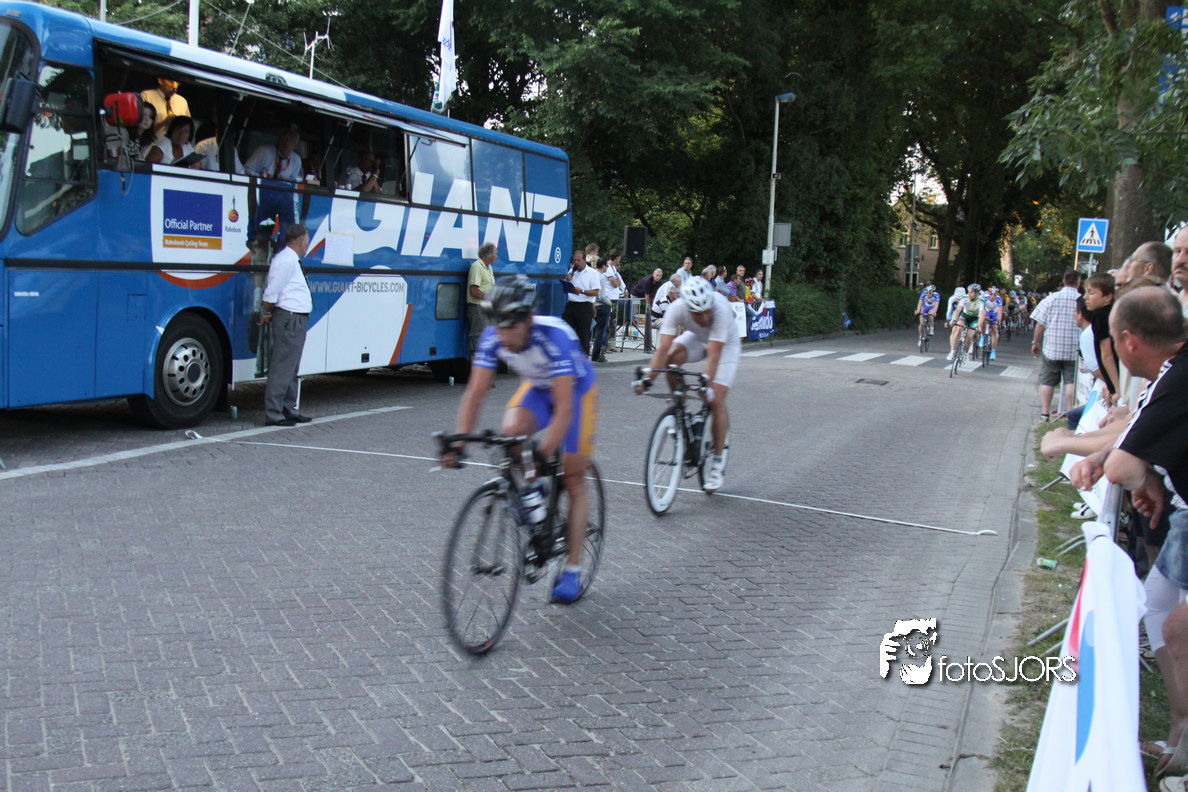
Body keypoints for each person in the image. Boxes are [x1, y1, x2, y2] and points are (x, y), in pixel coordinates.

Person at [1065, 287, 1187, 776]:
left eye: (1114, 341)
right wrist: (1146, 472)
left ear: (1130, 341)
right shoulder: (1174, 372)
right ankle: (1179, 734)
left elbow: (1121, 466)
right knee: (1156, 606)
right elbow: (1137, 438)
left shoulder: (1175, 377)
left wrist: (1136, 471)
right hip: (1183, 513)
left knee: (1176, 627)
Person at [441, 276, 599, 604]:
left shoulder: (555, 336)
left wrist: (543, 453)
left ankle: (572, 569)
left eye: (509, 327)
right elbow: (475, 393)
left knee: (572, 477)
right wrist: (459, 442)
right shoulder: (493, 337)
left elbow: (565, 410)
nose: (502, 335)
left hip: (576, 393)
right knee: (510, 433)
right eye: (496, 326)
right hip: (538, 388)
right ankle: (533, 491)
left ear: (527, 319)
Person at [635, 277, 741, 492]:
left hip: (725, 346)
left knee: (716, 398)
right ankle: (681, 409)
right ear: (687, 308)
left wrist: (706, 385)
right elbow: (663, 349)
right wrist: (647, 380)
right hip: (697, 338)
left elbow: (714, 356)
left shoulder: (720, 310)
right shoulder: (676, 309)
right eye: (698, 313)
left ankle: (718, 463)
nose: (704, 317)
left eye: (707, 311)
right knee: (671, 360)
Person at [259, 224, 314, 427]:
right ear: (300, 241)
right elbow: (271, 292)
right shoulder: (285, 260)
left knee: (291, 367)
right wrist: (267, 312)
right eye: (307, 240)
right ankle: (274, 413)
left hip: (296, 318)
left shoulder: (293, 260)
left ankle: (288, 409)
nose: (308, 244)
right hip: (290, 318)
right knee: (282, 366)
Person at [1031, 270, 1083, 420]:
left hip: (1052, 348)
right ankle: (1070, 413)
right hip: (1074, 348)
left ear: (1064, 281)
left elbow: (1040, 324)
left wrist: (1035, 342)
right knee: (1071, 381)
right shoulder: (1081, 300)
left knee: (1048, 381)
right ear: (1078, 282)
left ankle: (1045, 413)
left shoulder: (1051, 299)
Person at [243, 128, 303, 249]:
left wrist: (283, 181)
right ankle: (258, 246)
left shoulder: (296, 160)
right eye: (284, 138)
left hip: (283, 198)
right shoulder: (264, 152)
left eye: (291, 140)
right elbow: (247, 169)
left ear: (295, 145)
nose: (286, 142)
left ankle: (283, 247)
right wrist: (261, 176)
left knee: (288, 232)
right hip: (264, 194)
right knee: (262, 232)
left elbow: (294, 181)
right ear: (279, 139)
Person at [562, 248, 599, 355]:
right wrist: (567, 283)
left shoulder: (592, 273)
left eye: (579, 260)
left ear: (584, 260)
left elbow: (596, 292)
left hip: (584, 305)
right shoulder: (572, 272)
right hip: (572, 304)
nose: (576, 262)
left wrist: (582, 291)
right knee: (565, 329)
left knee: (583, 335)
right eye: (575, 260)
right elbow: (565, 290)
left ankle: (584, 358)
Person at [466, 242, 499, 358]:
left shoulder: (488, 268)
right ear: (488, 255)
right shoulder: (477, 267)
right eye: (496, 254)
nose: (497, 256)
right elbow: (474, 291)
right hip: (477, 308)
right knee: (477, 340)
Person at [946, 284, 985, 361]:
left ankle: (966, 352)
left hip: (975, 318)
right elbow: (958, 310)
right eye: (968, 292)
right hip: (965, 316)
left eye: (971, 292)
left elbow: (982, 315)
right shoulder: (964, 298)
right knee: (958, 329)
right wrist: (954, 320)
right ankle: (953, 351)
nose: (969, 294)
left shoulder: (981, 301)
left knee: (970, 335)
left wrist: (978, 326)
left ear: (977, 293)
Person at [591, 259, 614, 363]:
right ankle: (597, 354)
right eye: (607, 266)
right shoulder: (602, 277)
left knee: (594, 330)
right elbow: (602, 295)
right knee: (601, 331)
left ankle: (593, 352)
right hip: (602, 306)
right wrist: (609, 303)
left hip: (593, 304)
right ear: (604, 266)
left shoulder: (592, 274)